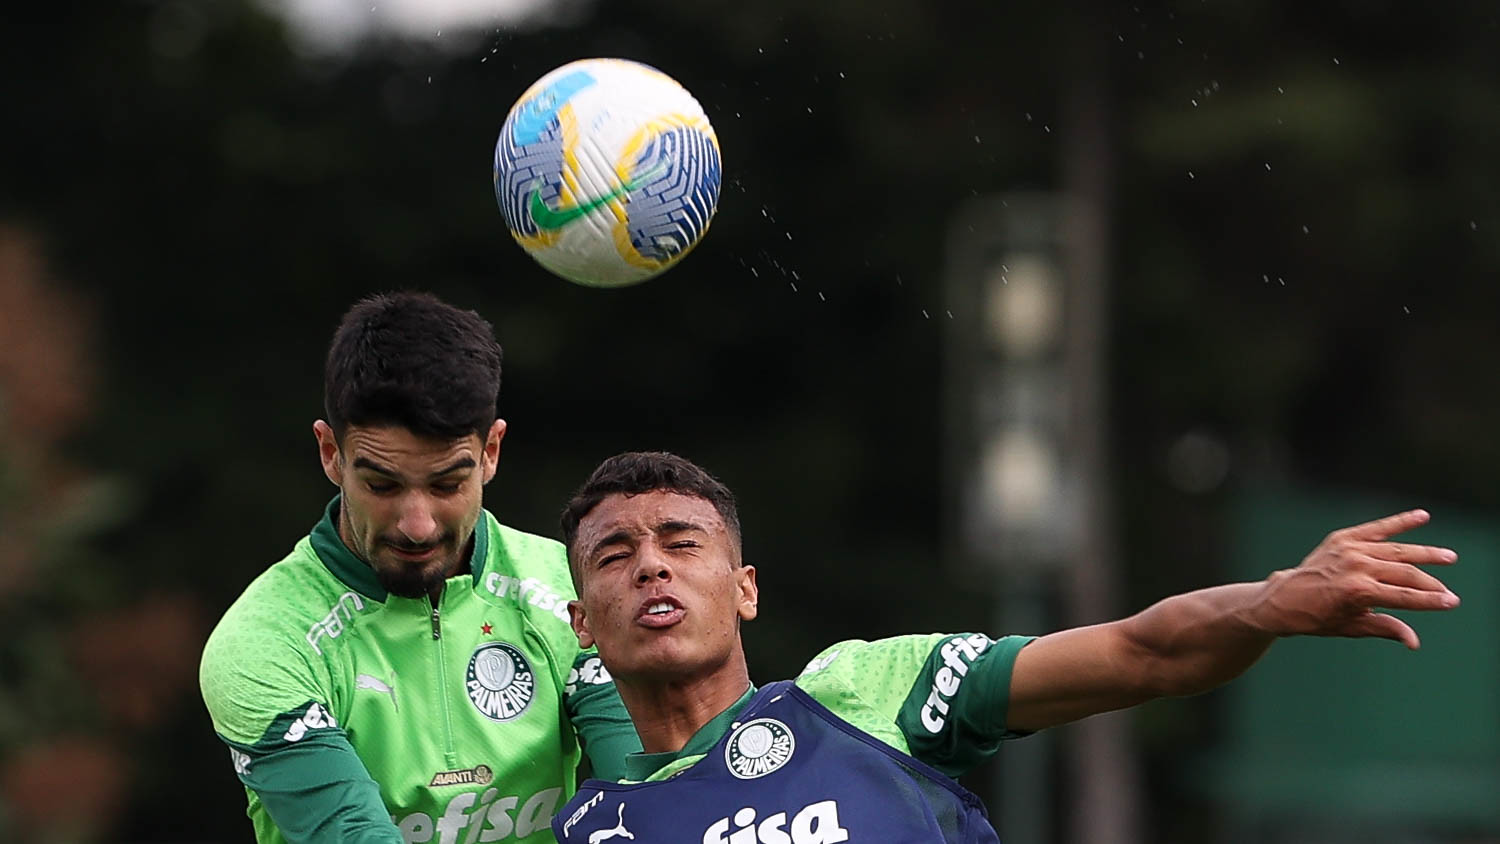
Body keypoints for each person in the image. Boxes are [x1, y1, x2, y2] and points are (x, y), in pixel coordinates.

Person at [549, 451, 1462, 844]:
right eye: (616, 557)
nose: (652, 571)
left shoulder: (860, 693)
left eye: (682, 544)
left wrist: (1268, 603)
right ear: (582, 621)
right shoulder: (595, 827)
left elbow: (1141, 654)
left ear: (744, 589)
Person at [199, 292, 640, 844]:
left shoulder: (570, 589)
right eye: (382, 485)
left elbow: (648, 790)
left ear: (491, 452)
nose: (418, 524)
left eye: (447, 484)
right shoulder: (264, 643)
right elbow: (354, 834)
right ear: (330, 453)